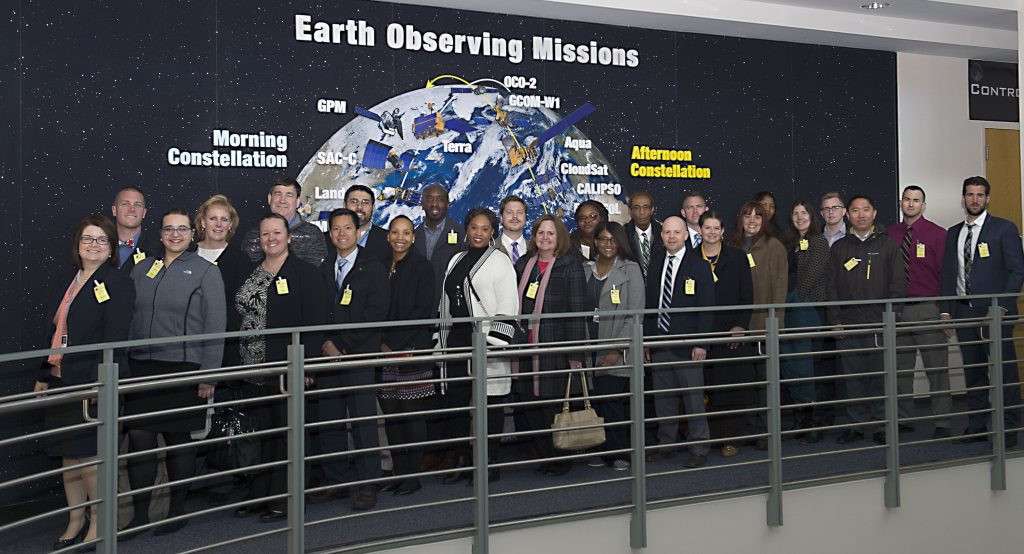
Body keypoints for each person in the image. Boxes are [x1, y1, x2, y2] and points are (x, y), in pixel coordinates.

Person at [122, 209, 226, 538]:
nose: (176, 234)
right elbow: (127, 317)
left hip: (184, 369)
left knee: (178, 440)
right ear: (161, 233)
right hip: (142, 367)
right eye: (169, 229)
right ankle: (139, 515)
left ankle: (177, 510)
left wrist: (209, 374)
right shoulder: (142, 269)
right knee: (139, 438)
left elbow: (216, 327)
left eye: (182, 229)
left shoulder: (206, 271)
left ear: (192, 233)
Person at [35, 214, 135, 549]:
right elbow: (54, 330)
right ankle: (75, 519)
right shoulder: (68, 278)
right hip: (62, 379)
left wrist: (100, 384)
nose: (93, 245)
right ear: (78, 244)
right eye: (87, 239)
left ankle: (99, 523)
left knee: (90, 457)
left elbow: (115, 337)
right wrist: (44, 374)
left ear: (111, 248)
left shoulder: (118, 282)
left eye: (101, 240)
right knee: (68, 455)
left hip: (92, 383)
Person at [231, 213, 328, 522]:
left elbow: (316, 323)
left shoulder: (305, 273)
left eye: (276, 233)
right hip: (253, 371)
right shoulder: (250, 272)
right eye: (264, 234)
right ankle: (263, 495)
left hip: (289, 370)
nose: (270, 238)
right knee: (265, 435)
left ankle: (289, 499)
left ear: (288, 237)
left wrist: (307, 367)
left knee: (291, 436)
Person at [308, 208, 389, 510]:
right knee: (329, 421)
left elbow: (376, 314)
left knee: (363, 422)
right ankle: (336, 482)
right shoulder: (324, 266)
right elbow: (317, 312)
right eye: (335, 229)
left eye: (347, 228)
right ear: (329, 234)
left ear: (358, 232)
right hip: (328, 359)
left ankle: (368, 483)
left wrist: (343, 347)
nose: (341, 234)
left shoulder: (373, 267)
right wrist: (327, 345)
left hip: (358, 357)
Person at [940, 176, 1024, 448]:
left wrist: (1000, 305)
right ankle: (976, 426)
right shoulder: (953, 232)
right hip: (964, 313)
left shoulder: (1004, 228)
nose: (974, 199)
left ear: (988, 198)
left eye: (980, 195)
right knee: (973, 372)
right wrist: (946, 312)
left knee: (1004, 373)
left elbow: (1017, 271)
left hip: (994, 313)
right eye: (969, 194)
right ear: (963, 198)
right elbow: (949, 275)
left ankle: (1009, 429)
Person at [437, 207, 519, 482]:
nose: (479, 233)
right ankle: (464, 460)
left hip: (487, 342)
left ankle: (488, 461)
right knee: (459, 403)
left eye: (485, 229)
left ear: (492, 231)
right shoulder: (455, 259)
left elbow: (509, 306)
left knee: (489, 404)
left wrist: (494, 345)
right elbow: (446, 302)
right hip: (457, 339)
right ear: (467, 229)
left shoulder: (500, 261)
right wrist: (441, 340)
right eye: (474, 228)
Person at [826, 195, 904, 445]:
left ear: (874, 213)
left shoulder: (888, 245)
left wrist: (893, 319)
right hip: (848, 324)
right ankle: (857, 425)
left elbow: (897, 285)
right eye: (855, 210)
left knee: (881, 377)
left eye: (866, 210)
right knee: (853, 380)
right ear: (847, 214)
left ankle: (882, 425)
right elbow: (831, 288)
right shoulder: (839, 247)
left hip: (880, 323)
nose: (861, 214)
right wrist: (834, 320)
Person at [514, 214, 588, 476]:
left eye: (550, 233)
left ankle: (561, 459)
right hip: (525, 351)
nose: (545, 238)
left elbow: (578, 311)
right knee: (531, 406)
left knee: (553, 408)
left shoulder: (570, 266)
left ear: (559, 238)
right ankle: (546, 456)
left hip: (555, 351)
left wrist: (574, 354)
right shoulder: (525, 265)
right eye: (540, 233)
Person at [643, 215, 715, 468]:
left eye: (676, 232)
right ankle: (667, 445)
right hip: (660, 341)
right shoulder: (656, 262)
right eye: (667, 232)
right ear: (661, 236)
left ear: (686, 235)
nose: (671, 236)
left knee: (693, 400)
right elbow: (651, 305)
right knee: (664, 399)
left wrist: (701, 343)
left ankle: (699, 448)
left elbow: (707, 308)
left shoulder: (699, 265)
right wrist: (648, 341)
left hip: (689, 344)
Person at [887, 186, 952, 439]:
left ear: (924, 205)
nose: (911, 204)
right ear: (900, 202)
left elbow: (947, 275)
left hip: (927, 309)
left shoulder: (938, 234)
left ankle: (943, 422)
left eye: (916, 200)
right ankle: (904, 419)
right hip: (899, 311)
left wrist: (944, 311)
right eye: (907, 199)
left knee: (936, 369)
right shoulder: (889, 235)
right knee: (900, 372)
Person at [379, 216, 436, 495]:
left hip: (411, 350)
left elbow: (423, 312)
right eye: (394, 232)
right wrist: (380, 344)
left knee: (410, 415)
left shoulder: (422, 267)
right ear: (388, 236)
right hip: (383, 353)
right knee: (391, 415)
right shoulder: (381, 266)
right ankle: (399, 473)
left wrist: (392, 344)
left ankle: (413, 476)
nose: (400, 237)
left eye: (406, 233)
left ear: (413, 238)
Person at [584, 221, 645, 469]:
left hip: (617, 349)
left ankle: (620, 453)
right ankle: (600, 450)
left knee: (613, 402)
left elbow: (635, 313)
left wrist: (616, 349)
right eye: (603, 239)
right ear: (595, 242)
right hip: (590, 347)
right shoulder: (586, 269)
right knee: (595, 401)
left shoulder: (630, 270)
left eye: (613, 239)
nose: (608, 244)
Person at [695, 211, 753, 458]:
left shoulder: (738, 257)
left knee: (731, 389)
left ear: (723, 231)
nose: (711, 232)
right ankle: (712, 440)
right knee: (706, 390)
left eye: (715, 228)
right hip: (701, 334)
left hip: (730, 334)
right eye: (706, 228)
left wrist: (740, 325)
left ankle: (732, 440)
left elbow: (747, 295)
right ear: (700, 230)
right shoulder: (689, 258)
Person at [730, 201, 787, 449]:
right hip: (739, 326)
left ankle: (767, 431)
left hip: (765, 324)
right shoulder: (732, 246)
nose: (752, 220)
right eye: (747, 215)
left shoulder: (774, 246)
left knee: (766, 382)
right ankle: (748, 429)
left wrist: (776, 326)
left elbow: (780, 289)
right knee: (746, 382)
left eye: (757, 216)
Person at [780, 201, 829, 441]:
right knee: (792, 366)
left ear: (812, 216)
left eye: (804, 213)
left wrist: (793, 298)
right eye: (795, 213)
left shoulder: (819, 241)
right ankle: (800, 419)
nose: (799, 217)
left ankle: (814, 423)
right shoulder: (790, 244)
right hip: (790, 312)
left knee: (808, 367)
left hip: (807, 309)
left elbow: (811, 276)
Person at [193, 195, 251, 369]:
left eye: (224, 219)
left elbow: (241, 310)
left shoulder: (241, 260)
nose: (218, 224)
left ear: (230, 225)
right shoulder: (186, 255)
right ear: (203, 222)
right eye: (213, 219)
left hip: (227, 348)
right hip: (188, 346)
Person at [811, 191, 848, 437]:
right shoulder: (815, 240)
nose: (831, 212)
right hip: (821, 309)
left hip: (850, 310)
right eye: (826, 209)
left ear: (844, 211)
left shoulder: (857, 238)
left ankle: (853, 421)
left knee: (853, 366)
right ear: (822, 213)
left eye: (835, 207)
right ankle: (826, 417)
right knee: (824, 366)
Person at [241, 176, 327, 266]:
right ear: (270, 199)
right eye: (278, 194)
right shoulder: (253, 235)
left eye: (289, 195)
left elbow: (316, 274)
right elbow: (248, 274)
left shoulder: (312, 234)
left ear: (298, 202)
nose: (282, 200)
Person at [414, 184, 465, 312]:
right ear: (422, 204)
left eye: (440, 199)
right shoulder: (413, 235)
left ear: (448, 204)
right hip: (418, 308)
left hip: (448, 308)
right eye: (429, 199)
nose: (434, 204)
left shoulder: (462, 235)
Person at [112, 186, 161, 272]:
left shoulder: (159, 252)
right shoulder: (97, 247)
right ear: (114, 210)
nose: (132, 209)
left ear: (144, 213)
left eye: (137, 205)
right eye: (125, 204)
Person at [345, 184, 391, 263]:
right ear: (344, 205)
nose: (359, 207)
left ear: (373, 208)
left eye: (365, 202)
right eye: (353, 201)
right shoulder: (325, 240)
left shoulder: (389, 241)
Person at [624, 191, 662, 278]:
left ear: (652, 210)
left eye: (646, 207)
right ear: (630, 211)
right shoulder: (623, 236)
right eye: (637, 208)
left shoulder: (663, 234)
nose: (642, 212)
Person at [496, 195, 529, 264]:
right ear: (501, 218)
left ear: (525, 218)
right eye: (509, 212)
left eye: (519, 212)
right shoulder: (489, 250)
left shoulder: (537, 250)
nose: (515, 216)